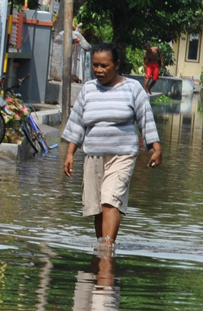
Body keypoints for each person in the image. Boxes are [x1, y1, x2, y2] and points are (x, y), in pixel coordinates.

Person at [62, 43, 162, 246]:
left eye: (104, 66)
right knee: (97, 207)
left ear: (116, 65)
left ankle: (108, 249)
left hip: (122, 155)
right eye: (95, 65)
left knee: (110, 200)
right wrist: (70, 153)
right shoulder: (88, 90)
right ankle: (101, 244)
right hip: (93, 155)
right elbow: (77, 122)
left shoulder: (132, 89)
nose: (98, 70)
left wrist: (156, 148)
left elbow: (146, 119)